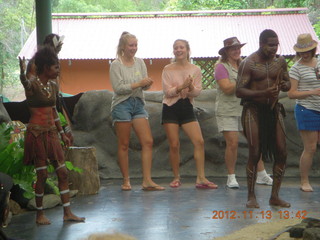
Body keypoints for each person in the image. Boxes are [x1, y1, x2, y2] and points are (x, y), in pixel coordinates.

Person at [19, 46, 85, 224]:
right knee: (42, 176)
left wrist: (62, 132)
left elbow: (54, 111)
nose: (58, 70)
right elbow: (25, 83)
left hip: (52, 133)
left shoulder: (53, 86)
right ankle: (39, 215)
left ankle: (68, 213)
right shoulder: (32, 85)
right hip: (37, 134)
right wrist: (21, 74)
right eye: (55, 67)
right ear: (46, 68)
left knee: (62, 173)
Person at [236, 29, 291, 208]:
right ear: (261, 44)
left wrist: (284, 84)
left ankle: (275, 195)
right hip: (253, 110)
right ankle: (251, 196)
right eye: (270, 45)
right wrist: (263, 92)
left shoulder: (280, 61)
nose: (274, 48)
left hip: (273, 110)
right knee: (254, 151)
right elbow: (239, 91)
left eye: (276, 45)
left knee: (282, 151)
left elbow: (288, 83)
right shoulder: (248, 63)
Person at [215, 37, 273, 189]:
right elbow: (227, 88)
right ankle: (231, 177)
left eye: (238, 48)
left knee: (256, 140)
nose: (236, 50)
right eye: (233, 48)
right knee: (232, 143)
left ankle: (261, 174)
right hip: (227, 110)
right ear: (226, 51)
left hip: (246, 109)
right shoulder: (221, 67)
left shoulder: (246, 64)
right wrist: (245, 79)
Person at [109, 32, 164, 191]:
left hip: (138, 103)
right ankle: (126, 180)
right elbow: (118, 88)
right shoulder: (116, 65)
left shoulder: (140, 62)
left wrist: (146, 84)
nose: (134, 48)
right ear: (123, 47)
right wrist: (138, 83)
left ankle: (147, 180)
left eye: (135, 45)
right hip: (122, 104)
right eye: (131, 45)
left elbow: (143, 85)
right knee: (124, 143)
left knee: (147, 141)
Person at [162, 39, 218, 189]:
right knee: (174, 144)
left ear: (187, 50)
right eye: (175, 48)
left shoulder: (195, 69)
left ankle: (201, 177)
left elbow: (197, 92)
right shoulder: (168, 68)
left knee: (199, 141)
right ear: (173, 51)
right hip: (170, 107)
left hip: (187, 107)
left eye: (181, 47)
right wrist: (181, 87)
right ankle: (176, 177)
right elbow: (167, 92)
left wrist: (191, 87)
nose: (178, 50)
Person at [26, 34, 74, 145]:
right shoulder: (36, 64)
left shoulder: (52, 66)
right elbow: (32, 86)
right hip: (40, 109)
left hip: (52, 104)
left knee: (66, 133)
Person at [288, 33, 320, 192]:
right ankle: (304, 181)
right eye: (302, 51)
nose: (305, 54)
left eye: (307, 50)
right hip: (306, 109)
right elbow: (291, 93)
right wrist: (313, 92)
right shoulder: (296, 68)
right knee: (311, 147)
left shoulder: (319, 63)